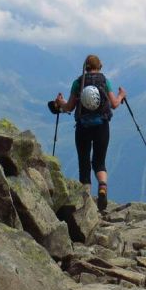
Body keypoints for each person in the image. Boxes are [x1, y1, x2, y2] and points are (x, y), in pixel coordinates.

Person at [54, 54, 126, 211]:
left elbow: (69, 107)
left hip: (82, 128)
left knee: (84, 163)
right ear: (100, 66)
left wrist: (60, 103)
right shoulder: (104, 81)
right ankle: (102, 187)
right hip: (102, 127)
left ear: (85, 67)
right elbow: (114, 104)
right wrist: (121, 95)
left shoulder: (78, 82)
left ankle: (86, 202)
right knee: (99, 162)